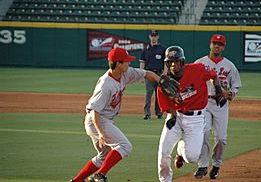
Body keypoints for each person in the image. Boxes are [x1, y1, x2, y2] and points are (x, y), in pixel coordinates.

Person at [69, 47, 163, 182]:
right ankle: (99, 175)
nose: (129, 63)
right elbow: (95, 111)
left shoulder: (125, 73)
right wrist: (101, 132)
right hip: (97, 120)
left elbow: (146, 73)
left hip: (104, 119)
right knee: (125, 146)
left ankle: (76, 180)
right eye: (126, 61)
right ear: (118, 64)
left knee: (103, 156)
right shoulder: (105, 85)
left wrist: (160, 80)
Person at [156, 46, 226, 182]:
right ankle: (165, 180)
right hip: (176, 117)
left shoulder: (198, 69)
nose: (173, 65)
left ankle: (181, 150)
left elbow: (213, 75)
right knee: (163, 152)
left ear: (182, 61)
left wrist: (218, 90)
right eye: (170, 62)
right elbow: (165, 102)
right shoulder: (164, 82)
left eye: (176, 61)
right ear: (166, 63)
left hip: (196, 119)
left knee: (192, 157)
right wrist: (172, 114)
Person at [193, 34, 242, 180]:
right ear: (210, 44)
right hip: (205, 103)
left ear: (223, 47)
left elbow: (236, 85)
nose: (216, 46)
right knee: (203, 132)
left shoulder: (229, 65)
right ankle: (202, 165)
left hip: (221, 104)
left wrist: (231, 93)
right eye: (214, 43)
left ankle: (216, 165)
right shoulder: (199, 63)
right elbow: (191, 82)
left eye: (219, 44)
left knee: (221, 138)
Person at [140, 30, 166, 120]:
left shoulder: (162, 49)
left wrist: (165, 72)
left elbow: (165, 62)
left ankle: (159, 112)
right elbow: (142, 62)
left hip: (159, 73)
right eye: (152, 36)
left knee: (159, 94)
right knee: (149, 94)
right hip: (149, 73)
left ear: (158, 37)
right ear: (149, 37)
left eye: (155, 36)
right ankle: (147, 113)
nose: (153, 37)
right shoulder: (145, 49)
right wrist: (141, 74)